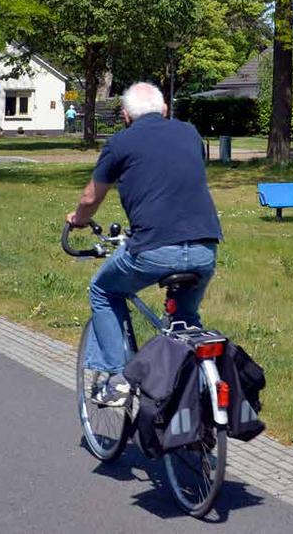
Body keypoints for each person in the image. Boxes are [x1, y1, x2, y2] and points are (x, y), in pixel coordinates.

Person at [65, 82, 223, 406]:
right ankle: (196, 406)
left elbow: (91, 197)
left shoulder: (120, 142)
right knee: (185, 321)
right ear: (165, 110)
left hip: (154, 249)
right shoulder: (190, 133)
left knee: (103, 290)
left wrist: (78, 219)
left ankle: (118, 377)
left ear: (124, 115)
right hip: (205, 247)